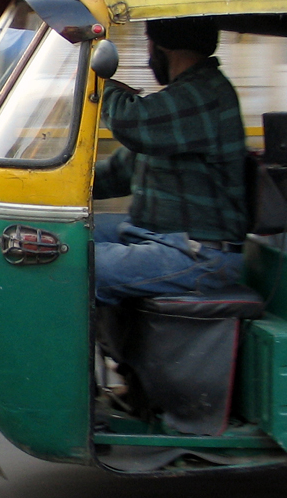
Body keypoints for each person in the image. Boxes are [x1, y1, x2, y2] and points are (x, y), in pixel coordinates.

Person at [92, 17, 248, 306]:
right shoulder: (177, 101)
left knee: (75, 265)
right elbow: (118, 173)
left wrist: (102, 86)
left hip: (200, 254)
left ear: (160, 48)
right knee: (61, 237)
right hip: (156, 235)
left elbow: (128, 121)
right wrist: (50, 185)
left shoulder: (206, 94)